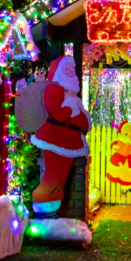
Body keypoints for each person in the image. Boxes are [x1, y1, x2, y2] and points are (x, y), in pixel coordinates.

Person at [30, 55, 91, 219]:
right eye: (67, 69)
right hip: (55, 140)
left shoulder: (70, 94)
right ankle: (43, 210)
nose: (72, 71)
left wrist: (80, 119)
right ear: (58, 72)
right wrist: (72, 113)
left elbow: (82, 120)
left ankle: (52, 212)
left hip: (68, 142)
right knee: (54, 176)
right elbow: (59, 114)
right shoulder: (53, 89)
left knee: (60, 178)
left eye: (73, 68)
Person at [107, 121, 131, 192]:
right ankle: (124, 187)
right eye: (126, 130)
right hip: (120, 157)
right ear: (122, 131)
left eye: (130, 131)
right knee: (122, 173)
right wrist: (114, 146)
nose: (128, 132)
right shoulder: (119, 139)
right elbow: (113, 144)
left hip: (130, 158)